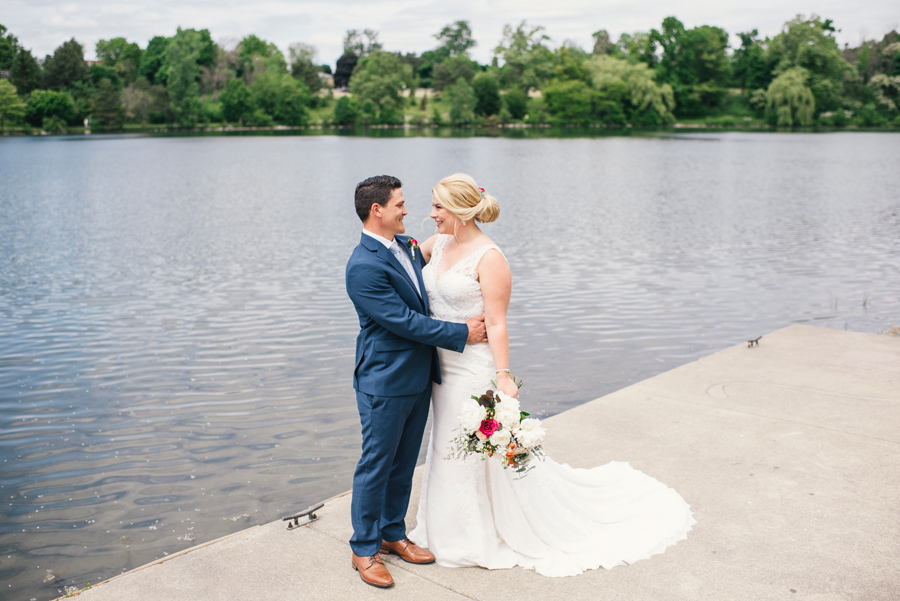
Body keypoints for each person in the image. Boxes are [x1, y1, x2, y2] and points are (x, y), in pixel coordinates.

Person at [408, 173, 696, 576]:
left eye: (438, 207)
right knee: (443, 447)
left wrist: (504, 375)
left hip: (473, 368)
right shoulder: (436, 246)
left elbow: (498, 322)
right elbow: (401, 269)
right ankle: (442, 528)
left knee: (470, 450)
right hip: (441, 366)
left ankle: (471, 535)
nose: (432, 214)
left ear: (459, 209)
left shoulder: (490, 258)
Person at [345, 175, 489, 588]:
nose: (407, 211)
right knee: (376, 464)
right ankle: (364, 548)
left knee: (404, 462)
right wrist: (463, 333)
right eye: (400, 204)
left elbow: (445, 262)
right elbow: (403, 322)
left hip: (420, 377)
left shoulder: (408, 247)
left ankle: (392, 533)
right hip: (383, 381)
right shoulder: (363, 265)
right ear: (378, 211)